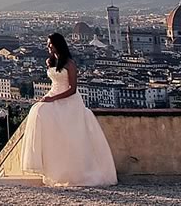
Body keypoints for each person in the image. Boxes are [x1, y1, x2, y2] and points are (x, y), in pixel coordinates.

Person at [20, 32, 117, 187]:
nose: (48, 47)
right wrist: (48, 97)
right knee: (37, 111)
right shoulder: (50, 61)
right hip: (54, 94)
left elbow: (72, 89)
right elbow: (54, 84)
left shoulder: (69, 64)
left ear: (57, 44)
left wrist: (52, 99)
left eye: (50, 44)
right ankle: (52, 166)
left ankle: (72, 172)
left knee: (56, 124)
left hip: (70, 100)